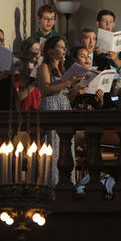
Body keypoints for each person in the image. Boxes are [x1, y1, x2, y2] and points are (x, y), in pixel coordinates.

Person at [35, 36, 85, 186]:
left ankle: (68, 185)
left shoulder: (64, 68)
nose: (64, 50)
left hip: (63, 105)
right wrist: (69, 82)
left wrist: (76, 89)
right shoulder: (44, 67)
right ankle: (52, 185)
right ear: (50, 51)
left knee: (66, 146)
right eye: (60, 47)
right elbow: (47, 88)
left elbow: (66, 95)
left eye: (65, 47)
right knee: (54, 147)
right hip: (50, 107)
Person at [69, 45, 116, 200]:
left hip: (92, 122)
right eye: (83, 56)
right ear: (75, 60)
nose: (87, 59)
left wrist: (100, 99)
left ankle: (96, 180)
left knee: (94, 135)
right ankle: (90, 181)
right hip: (75, 124)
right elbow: (65, 101)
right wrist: (77, 90)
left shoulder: (95, 76)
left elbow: (99, 107)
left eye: (88, 56)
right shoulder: (70, 78)